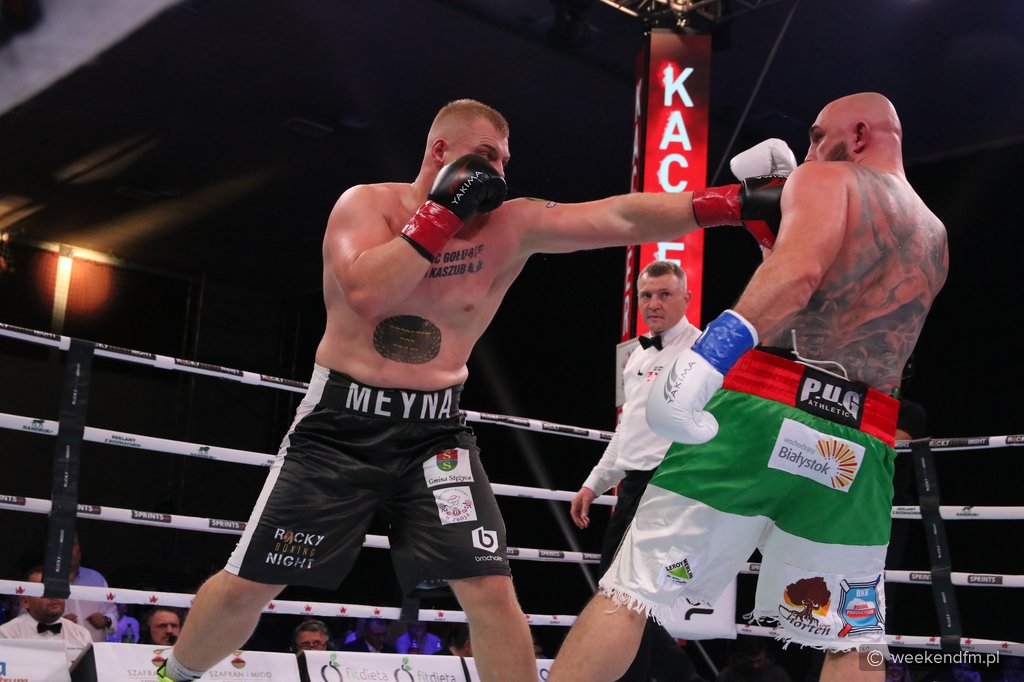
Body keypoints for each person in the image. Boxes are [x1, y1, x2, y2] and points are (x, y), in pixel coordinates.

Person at [156, 98, 784, 682]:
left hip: (436, 434)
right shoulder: (366, 207)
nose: (500, 171)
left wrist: (731, 204)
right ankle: (169, 675)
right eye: (487, 156)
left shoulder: (511, 225)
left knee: (490, 590)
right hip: (341, 425)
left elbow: (619, 215)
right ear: (441, 152)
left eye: (505, 160)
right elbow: (369, 293)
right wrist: (440, 214)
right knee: (251, 583)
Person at [549, 92, 949, 682]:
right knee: (851, 635)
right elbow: (841, 312)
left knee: (630, 590)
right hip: (861, 436)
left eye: (818, 136)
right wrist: (773, 237)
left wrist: (707, 359)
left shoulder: (826, 177)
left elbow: (799, 275)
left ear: (860, 135)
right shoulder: (933, 234)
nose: (809, 150)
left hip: (767, 401)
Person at [570, 259, 702, 682]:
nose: (653, 303)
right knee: (623, 594)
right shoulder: (634, 356)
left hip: (672, 483)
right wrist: (594, 484)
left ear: (686, 298)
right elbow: (628, 431)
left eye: (664, 294)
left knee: (622, 592)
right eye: (646, 295)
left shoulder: (704, 352)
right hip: (635, 486)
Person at [0, 566, 93, 668]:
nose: (53, 596)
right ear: (25, 601)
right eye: (43, 591)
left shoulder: (81, 634)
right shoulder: (7, 634)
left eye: (57, 589)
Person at [63, 533, 118, 642]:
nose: (68, 550)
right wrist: (57, 623)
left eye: (73, 544)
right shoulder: (43, 580)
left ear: (79, 550)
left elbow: (113, 614)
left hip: (95, 649)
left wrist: (106, 620)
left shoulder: (97, 579)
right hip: (60, 649)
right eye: (64, 545)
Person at [715, 637, 792, 682]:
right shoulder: (727, 676)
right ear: (742, 655)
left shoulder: (778, 675)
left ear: (765, 652)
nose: (755, 665)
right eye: (750, 662)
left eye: (759, 661)